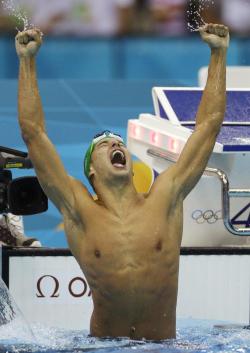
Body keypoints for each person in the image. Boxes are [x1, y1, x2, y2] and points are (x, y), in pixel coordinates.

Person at [15, 23, 229, 340]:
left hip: (163, 347)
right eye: (104, 146)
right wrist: (27, 61)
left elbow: (208, 127)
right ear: (91, 171)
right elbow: (34, 133)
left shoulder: (166, 197)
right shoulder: (79, 210)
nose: (116, 146)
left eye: (119, 144)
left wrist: (218, 54)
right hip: (102, 347)